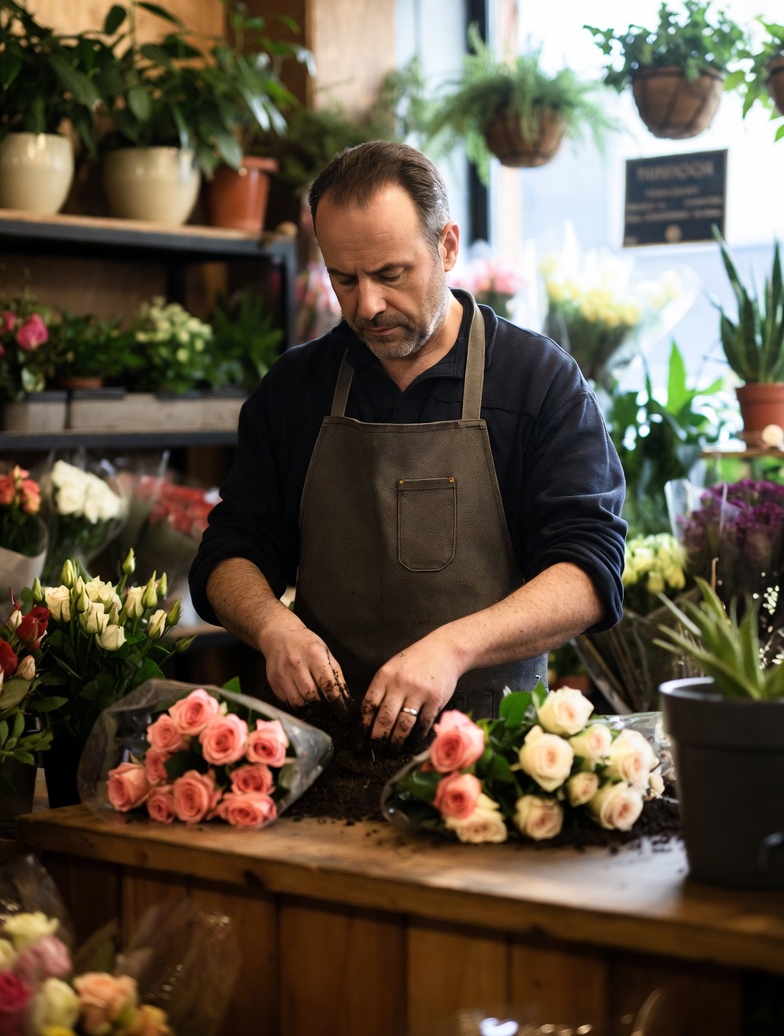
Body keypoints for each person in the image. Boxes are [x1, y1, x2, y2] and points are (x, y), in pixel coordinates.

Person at [189, 141, 626, 747]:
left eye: (390, 275)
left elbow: (589, 569)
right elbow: (231, 548)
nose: (367, 305)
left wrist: (455, 647)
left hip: (493, 754)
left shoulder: (536, 381)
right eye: (344, 279)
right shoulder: (295, 388)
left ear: (446, 247)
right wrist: (271, 626)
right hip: (323, 744)